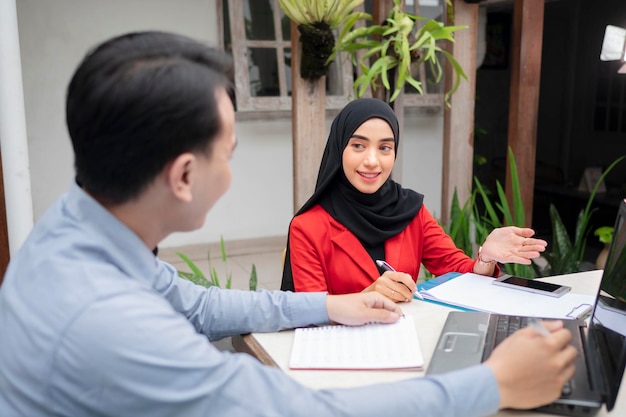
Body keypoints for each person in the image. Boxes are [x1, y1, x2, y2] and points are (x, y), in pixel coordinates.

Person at [0, 31, 575, 417]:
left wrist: (332, 306)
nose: (230, 171)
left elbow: (200, 307)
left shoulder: (77, 234)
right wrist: (492, 383)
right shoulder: (110, 324)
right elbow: (296, 410)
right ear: (182, 175)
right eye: (228, 152)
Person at [281, 98, 548, 301]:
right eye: (358, 145)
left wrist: (486, 258)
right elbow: (308, 312)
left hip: (406, 345)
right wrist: (367, 296)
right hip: (342, 359)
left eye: (385, 147)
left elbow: (457, 270)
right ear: (339, 149)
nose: (372, 160)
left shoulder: (409, 210)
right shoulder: (308, 226)